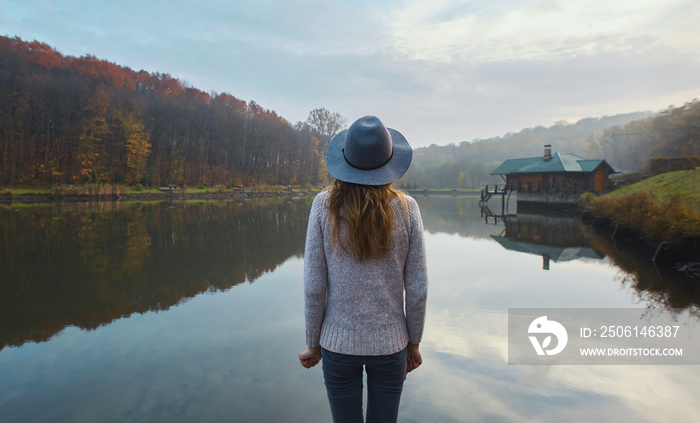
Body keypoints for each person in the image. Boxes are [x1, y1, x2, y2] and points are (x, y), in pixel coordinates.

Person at [299, 115, 428, 423]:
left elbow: (314, 286)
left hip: (337, 346)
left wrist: (313, 344)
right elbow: (418, 287)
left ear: (345, 161)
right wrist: (414, 342)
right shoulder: (408, 208)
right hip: (392, 346)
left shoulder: (323, 205)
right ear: (389, 163)